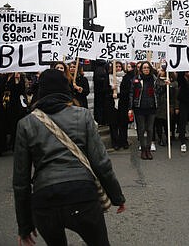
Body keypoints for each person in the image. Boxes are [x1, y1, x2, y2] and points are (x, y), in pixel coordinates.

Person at [13, 69, 125, 246]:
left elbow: (21, 180)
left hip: (45, 197)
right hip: (81, 194)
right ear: (66, 89)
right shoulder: (82, 115)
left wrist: (25, 225)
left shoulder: (26, 123)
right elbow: (101, 162)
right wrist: (117, 197)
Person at [128, 61, 158, 160]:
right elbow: (131, 94)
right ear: (141, 69)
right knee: (141, 129)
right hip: (139, 107)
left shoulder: (154, 79)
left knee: (150, 129)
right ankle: (143, 149)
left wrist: (165, 85)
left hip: (151, 107)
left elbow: (159, 91)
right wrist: (130, 108)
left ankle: (148, 149)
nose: (146, 69)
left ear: (150, 69)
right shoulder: (136, 79)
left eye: (147, 68)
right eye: (144, 68)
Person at [107, 62, 125, 150]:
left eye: (119, 66)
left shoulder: (125, 77)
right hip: (112, 103)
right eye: (116, 66)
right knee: (113, 124)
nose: (118, 68)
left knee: (122, 123)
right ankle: (115, 142)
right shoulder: (109, 77)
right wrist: (111, 89)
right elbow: (104, 90)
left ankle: (123, 141)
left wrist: (118, 95)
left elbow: (127, 90)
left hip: (122, 102)